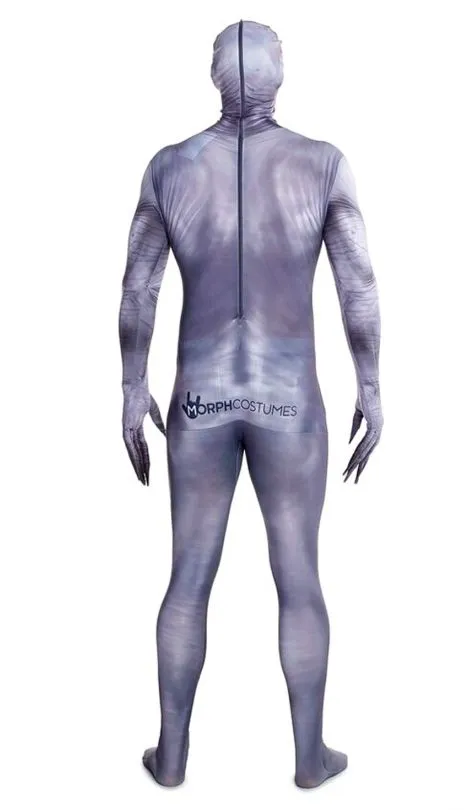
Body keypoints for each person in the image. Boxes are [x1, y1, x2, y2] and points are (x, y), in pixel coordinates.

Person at [118, 19, 383, 789]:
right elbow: (358, 287)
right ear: (279, 75)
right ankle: (309, 759)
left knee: (187, 579)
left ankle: (171, 759)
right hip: (287, 400)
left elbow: (138, 289)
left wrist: (132, 387)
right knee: (298, 577)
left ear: (216, 76)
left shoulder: (170, 168)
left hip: (199, 400)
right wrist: (371, 385)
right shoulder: (323, 164)